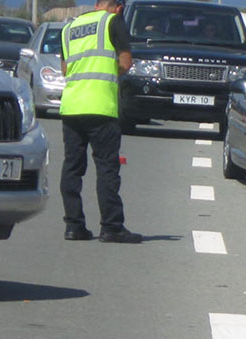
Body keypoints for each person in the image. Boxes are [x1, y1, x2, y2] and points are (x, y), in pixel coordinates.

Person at [59, 0, 142, 243]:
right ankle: (111, 227)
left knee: (72, 167)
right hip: (101, 107)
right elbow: (125, 63)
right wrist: (109, 76)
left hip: (72, 106)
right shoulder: (113, 21)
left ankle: (73, 226)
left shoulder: (69, 28)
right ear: (119, 7)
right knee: (107, 168)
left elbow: (65, 69)